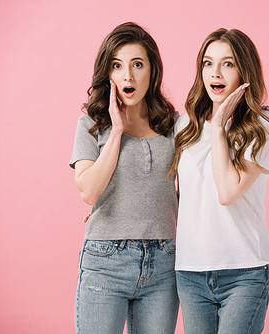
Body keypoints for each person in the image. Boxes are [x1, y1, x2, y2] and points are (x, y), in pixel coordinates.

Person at [169, 28, 269, 334]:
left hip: (244, 270)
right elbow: (179, 196)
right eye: (208, 63)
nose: (215, 73)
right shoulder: (184, 126)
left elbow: (228, 192)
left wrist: (219, 128)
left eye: (228, 64)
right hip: (191, 271)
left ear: (244, 70)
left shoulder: (264, 124)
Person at [69, 22, 179, 334]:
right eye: (117, 65)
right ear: (108, 73)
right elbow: (88, 191)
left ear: (152, 72)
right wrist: (116, 130)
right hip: (106, 261)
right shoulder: (91, 124)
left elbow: (189, 191)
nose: (128, 76)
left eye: (137, 65)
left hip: (164, 263)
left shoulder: (174, 126)